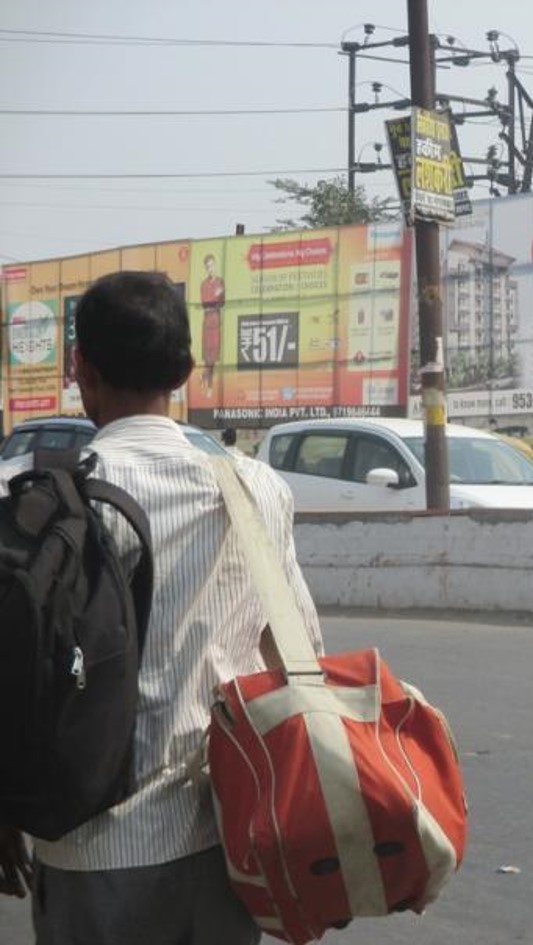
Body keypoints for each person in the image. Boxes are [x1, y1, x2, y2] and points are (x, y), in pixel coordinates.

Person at [0, 271, 323, 943]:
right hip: (227, 848)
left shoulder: (51, 506)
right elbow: (300, 659)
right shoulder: (256, 487)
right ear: (184, 370)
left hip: (92, 852)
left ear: (78, 367)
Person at [199, 253, 225, 397]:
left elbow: (222, 302)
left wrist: (215, 301)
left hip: (216, 323)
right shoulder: (204, 284)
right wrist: (215, 299)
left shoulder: (220, 282)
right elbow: (205, 303)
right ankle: (208, 384)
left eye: (211, 265)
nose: (210, 269)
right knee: (208, 358)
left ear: (215, 265)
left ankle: (206, 380)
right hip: (207, 324)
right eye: (207, 266)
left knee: (213, 358)